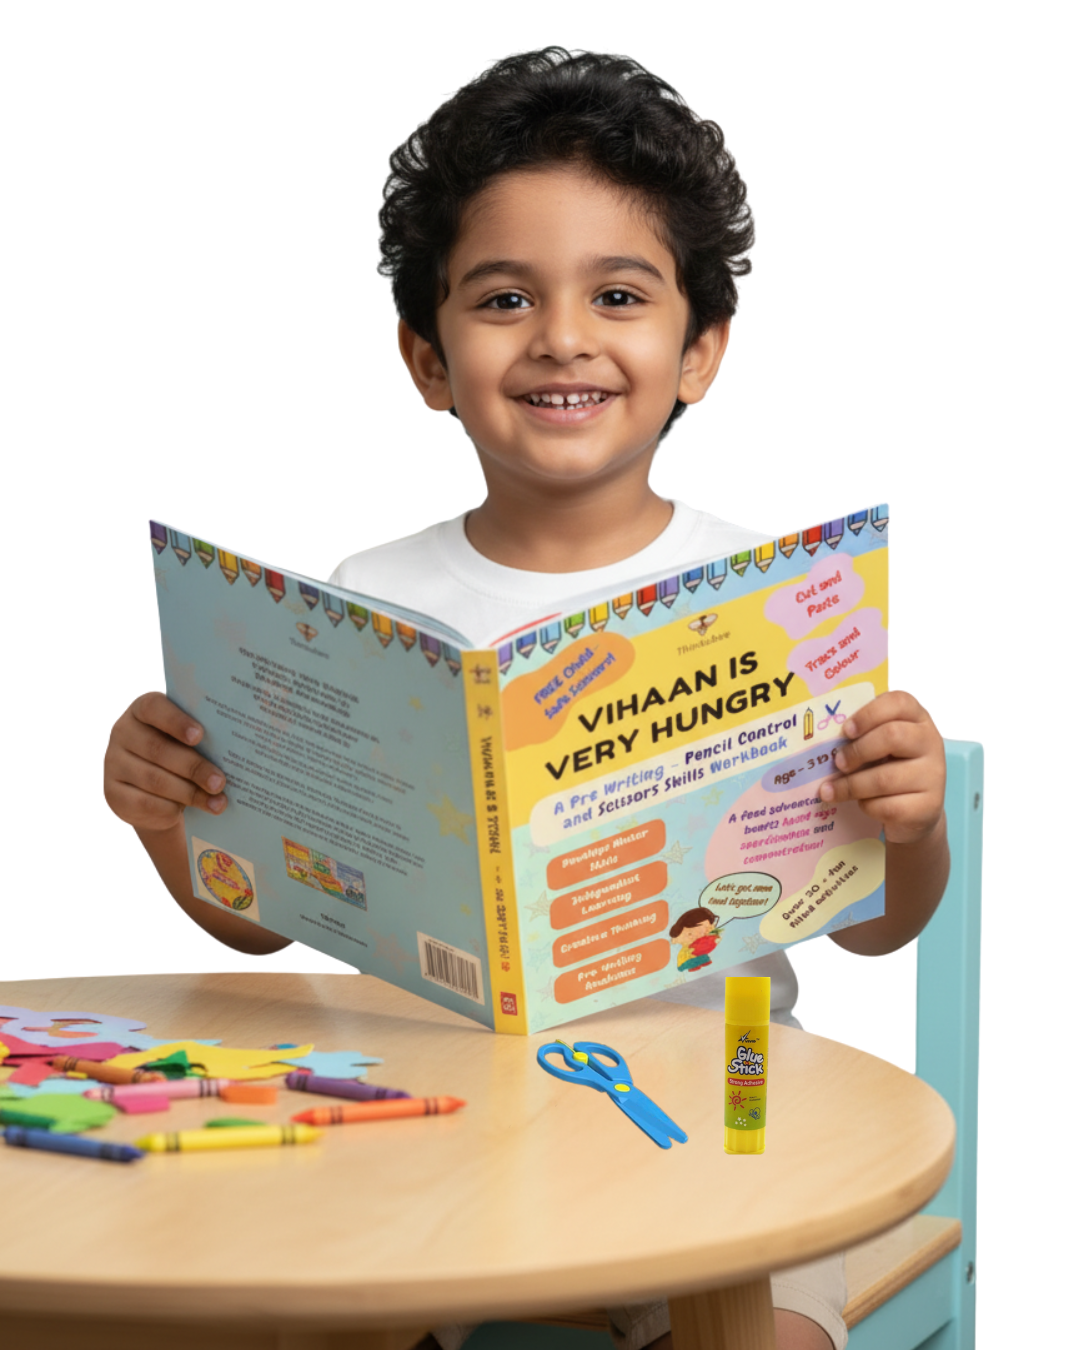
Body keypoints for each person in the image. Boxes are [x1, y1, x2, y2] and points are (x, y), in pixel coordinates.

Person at [104, 48, 949, 1350]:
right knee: (265, 1308)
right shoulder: (359, 605)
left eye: (618, 293)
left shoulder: (779, 600)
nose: (562, 337)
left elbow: (876, 928)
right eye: (504, 297)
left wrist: (912, 819)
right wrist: (171, 817)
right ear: (428, 357)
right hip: (440, 1125)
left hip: (729, 1110)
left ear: (699, 350)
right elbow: (270, 923)